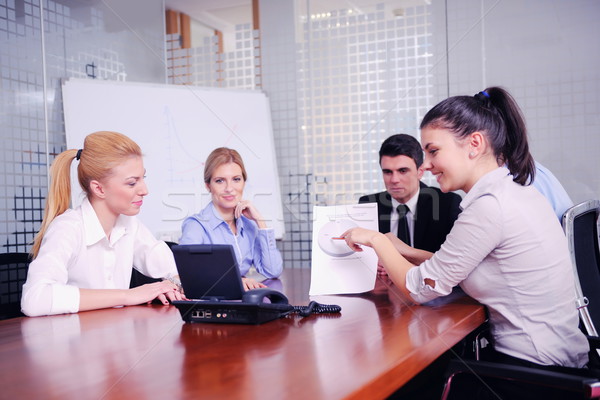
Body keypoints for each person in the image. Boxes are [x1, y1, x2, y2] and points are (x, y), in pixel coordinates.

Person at [342, 87, 589, 398]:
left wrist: (378, 240)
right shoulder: (514, 191)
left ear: (474, 144)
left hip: (532, 375)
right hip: (562, 359)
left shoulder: (489, 206)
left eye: (433, 151)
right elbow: (467, 265)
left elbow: (420, 288)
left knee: (413, 386)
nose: (427, 165)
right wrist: (407, 251)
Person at [21, 131, 184, 317]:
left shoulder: (130, 224)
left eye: (143, 178)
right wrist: (126, 296)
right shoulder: (67, 228)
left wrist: (174, 283)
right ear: (98, 188)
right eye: (132, 183)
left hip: (117, 336)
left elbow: (171, 269)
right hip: (72, 340)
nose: (144, 190)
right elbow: (34, 299)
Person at [179, 147, 283, 290]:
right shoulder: (196, 226)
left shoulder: (249, 226)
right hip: (212, 306)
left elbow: (272, 271)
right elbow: (190, 276)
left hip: (242, 303)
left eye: (236, 179)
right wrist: (237, 281)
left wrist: (260, 221)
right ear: (208, 185)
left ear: (243, 183)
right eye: (220, 181)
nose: (229, 188)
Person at [359, 134, 461, 275]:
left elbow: (456, 264)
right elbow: (360, 257)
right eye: (387, 172)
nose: (394, 180)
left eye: (403, 171)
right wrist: (370, 262)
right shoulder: (368, 205)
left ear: (420, 172)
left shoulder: (447, 203)